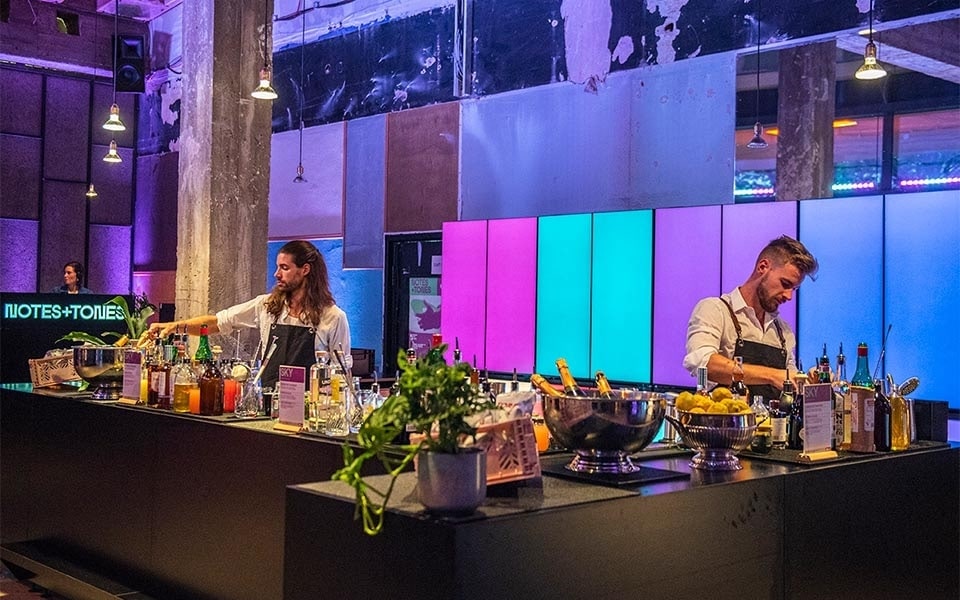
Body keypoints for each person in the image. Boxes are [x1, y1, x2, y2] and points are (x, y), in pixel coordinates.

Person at [144, 240, 351, 390]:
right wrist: (173, 326)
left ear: (305, 270)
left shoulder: (333, 317)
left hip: (310, 413)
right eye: (277, 267)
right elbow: (219, 321)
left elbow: (341, 375)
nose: (276, 274)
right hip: (270, 408)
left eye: (284, 268)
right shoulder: (267, 306)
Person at [683, 235, 818, 400]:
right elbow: (703, 364)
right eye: (785, 284)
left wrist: (810, 380)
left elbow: (789, 379)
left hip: (773, 425)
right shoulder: (715, 310)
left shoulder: (783, 331)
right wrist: (772, 375)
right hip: (726, 422)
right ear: (763, 267)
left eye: (794, 289)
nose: (789, 296)